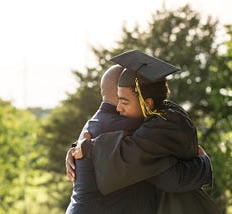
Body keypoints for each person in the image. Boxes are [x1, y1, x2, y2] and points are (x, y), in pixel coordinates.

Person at [72, 50, 220, 213]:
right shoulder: (164, 115)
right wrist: (76, 149)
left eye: (124, 102)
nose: (119, 108)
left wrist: (87, 147)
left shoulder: (165, 123)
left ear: (147, 103)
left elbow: (169, 177)